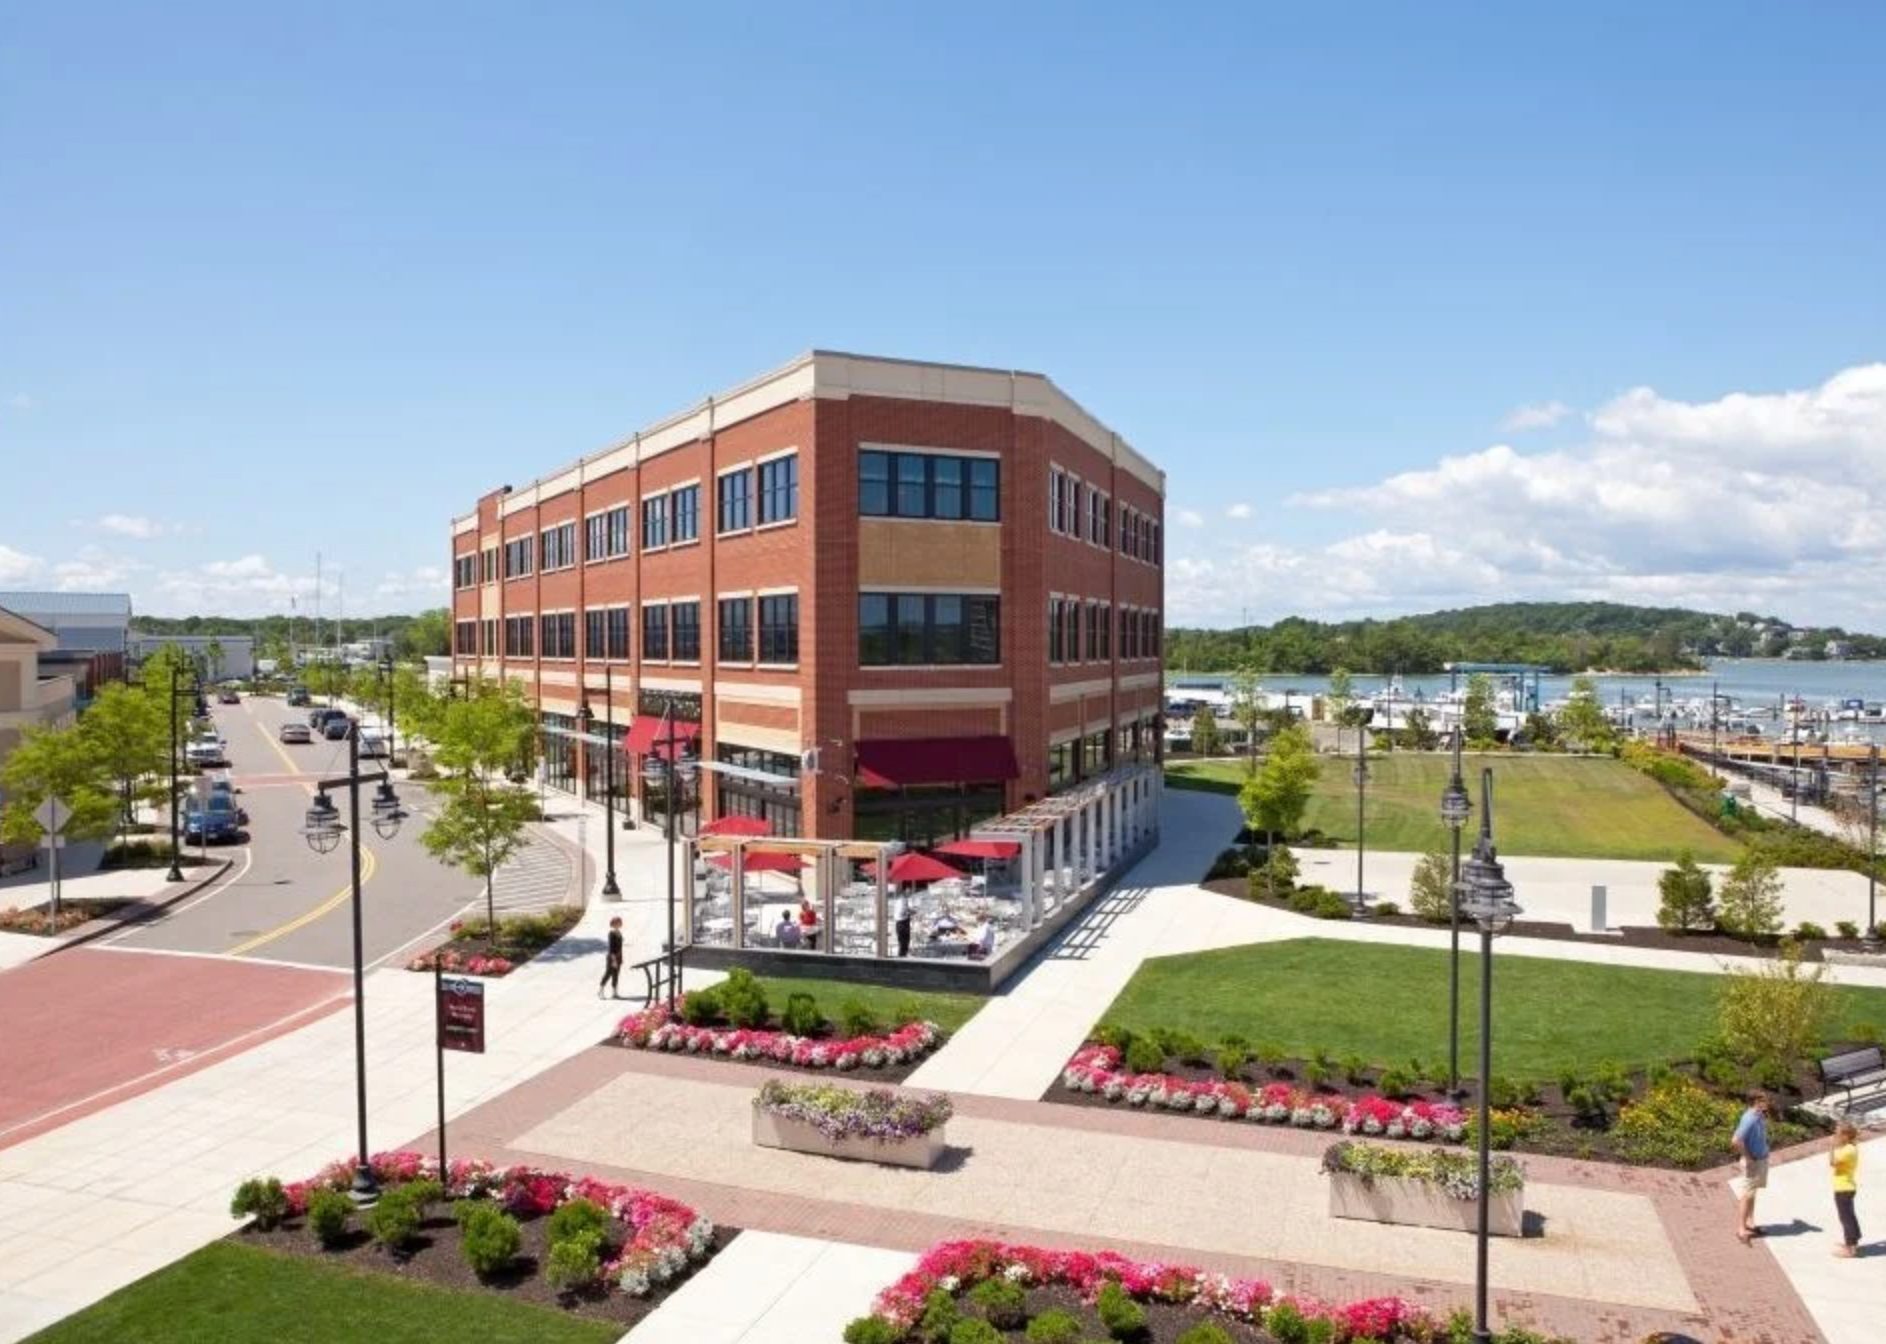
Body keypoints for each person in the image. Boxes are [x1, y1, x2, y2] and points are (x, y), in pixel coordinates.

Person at [1731, 1090, 1772, 1244]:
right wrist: (1748, 1157)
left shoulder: (1759, 1115)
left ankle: (1750, 1222)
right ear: (1756, 1101)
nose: (1767, 1102)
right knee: (1747, 1195)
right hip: (1753, 1162)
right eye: (1765, 1100)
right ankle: (1741, 1228)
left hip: (1761, 1159)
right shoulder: (1749, 1119)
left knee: (1752, 1193)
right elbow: (1735, 1141)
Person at [1831, 1118, 1862, 1258]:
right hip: (1846, 1187)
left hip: (1844, 1188)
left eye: (1837, 1133)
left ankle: (1851, 1249)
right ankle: (1852, 1242)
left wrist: (1832, 1147)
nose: (1835, 1135)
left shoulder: (1848, 1150)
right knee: (1849, 1216)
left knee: (1846, 1218)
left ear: (1845, 1135)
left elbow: (1833, 1163)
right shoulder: (1849, 1148)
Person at [598, 916, 623, 999]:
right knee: (608, 974)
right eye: (618, 922)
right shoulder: (611, 933)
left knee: (616, 975)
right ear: (613, 923)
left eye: (620, 922)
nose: (620, 923)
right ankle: (600, 991)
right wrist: (614, 960)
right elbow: (611, 948)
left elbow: (620, 947)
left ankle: (614, 992)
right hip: (612, 957)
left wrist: (621, 957)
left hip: (618, 957)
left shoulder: (619, 932)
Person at [891, 888, 913, 958]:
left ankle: (903, 956)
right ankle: (901, 958)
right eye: (909, 891)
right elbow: (901, 912)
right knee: (903, 942)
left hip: (902, 922)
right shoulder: (902, 900)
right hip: (902, 922)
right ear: (905, 891)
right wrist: (910, 912)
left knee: (904, 942)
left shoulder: (902, 900)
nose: (910, 892)